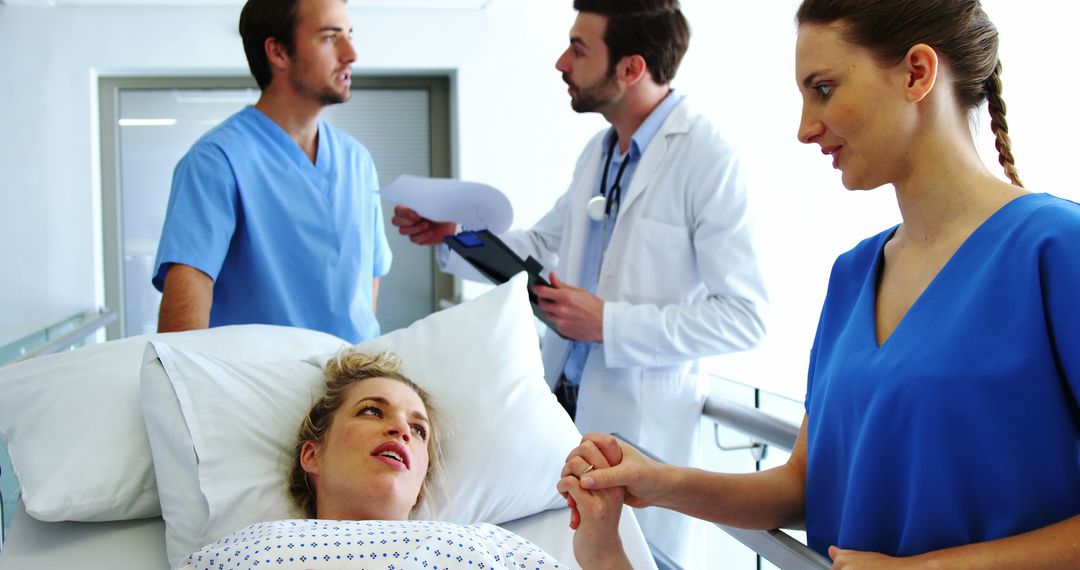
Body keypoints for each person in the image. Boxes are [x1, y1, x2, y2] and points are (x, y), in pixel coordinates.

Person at [560, 0, 1080, 567]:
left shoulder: (1054, 249)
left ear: (917, 73)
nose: (806, 128)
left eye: (824, 89)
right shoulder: (854, 275)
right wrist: (657, 481)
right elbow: (804, 487)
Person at [391, 0, 768, 562]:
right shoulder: (600, 151)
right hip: (563, 406)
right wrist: (453, 235)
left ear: (631, 69)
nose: (561, 63)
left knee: (639, 559)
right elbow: (543, 247)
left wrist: (608, 324)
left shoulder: (706, 156)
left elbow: (744, 316)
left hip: (642, 422)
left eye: (579, 49)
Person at [152, 0, 392, 343]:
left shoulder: (358, 161)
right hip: (261, 387)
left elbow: (369, 276)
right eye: (329, 37)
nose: (351, 53)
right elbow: (185, 312)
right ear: (278, 52)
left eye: (349, 36)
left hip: (350, 382)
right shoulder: (217, 160)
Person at [288, 350, 442, 519]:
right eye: (372, 411)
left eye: (418, 430)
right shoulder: (265, 542)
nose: (402, 429)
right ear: (312, 455)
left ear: (419, 490)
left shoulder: (462, 542)